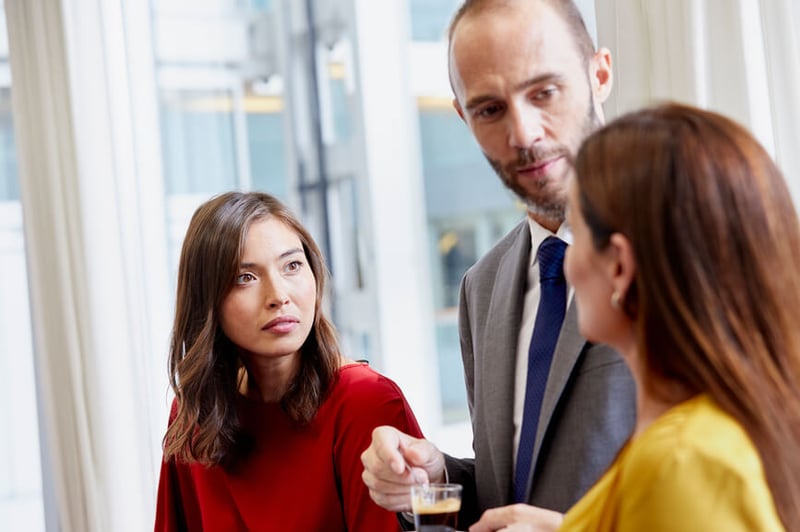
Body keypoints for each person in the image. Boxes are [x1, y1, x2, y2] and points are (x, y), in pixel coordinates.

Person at [361, 0, 636, 529]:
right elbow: (507, 491)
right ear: (464, 117)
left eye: (544, 92)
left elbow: (763, 482)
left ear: (599, 75)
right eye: (490, 109)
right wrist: (436, 475)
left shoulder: (687, 239)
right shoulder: (481, 287)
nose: (524, 134)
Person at [557, 102, 800, 530]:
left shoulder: (683, 461)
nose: (566, 264)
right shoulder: (700, 438)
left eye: (575, 233)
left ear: (618, 265)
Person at [154, 191, 423, 531]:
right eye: (245, 277)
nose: (279, 296)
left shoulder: (367, 402)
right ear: (207, 301)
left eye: (292, 266)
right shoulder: (195, 412)